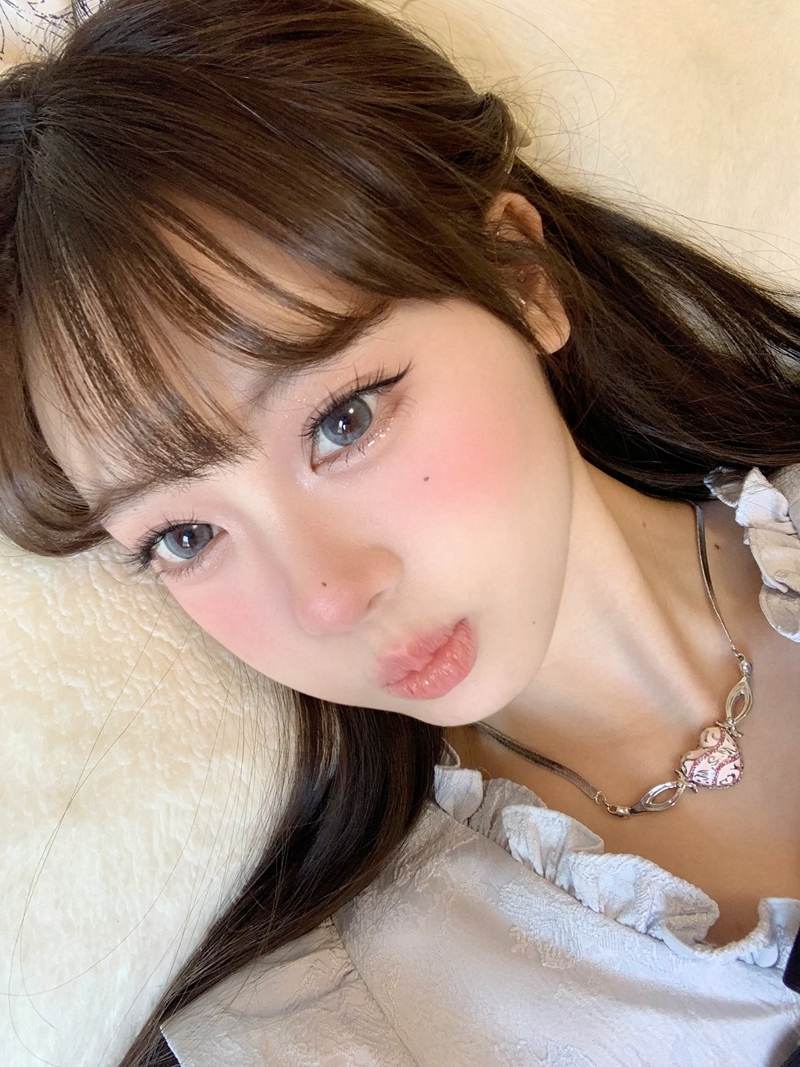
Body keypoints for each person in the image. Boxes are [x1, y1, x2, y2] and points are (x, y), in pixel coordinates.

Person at [2, 0, 800, 1063]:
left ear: (520, 281)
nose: (327, 597)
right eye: (185, 535)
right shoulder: (324, 1029)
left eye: (343, 420)